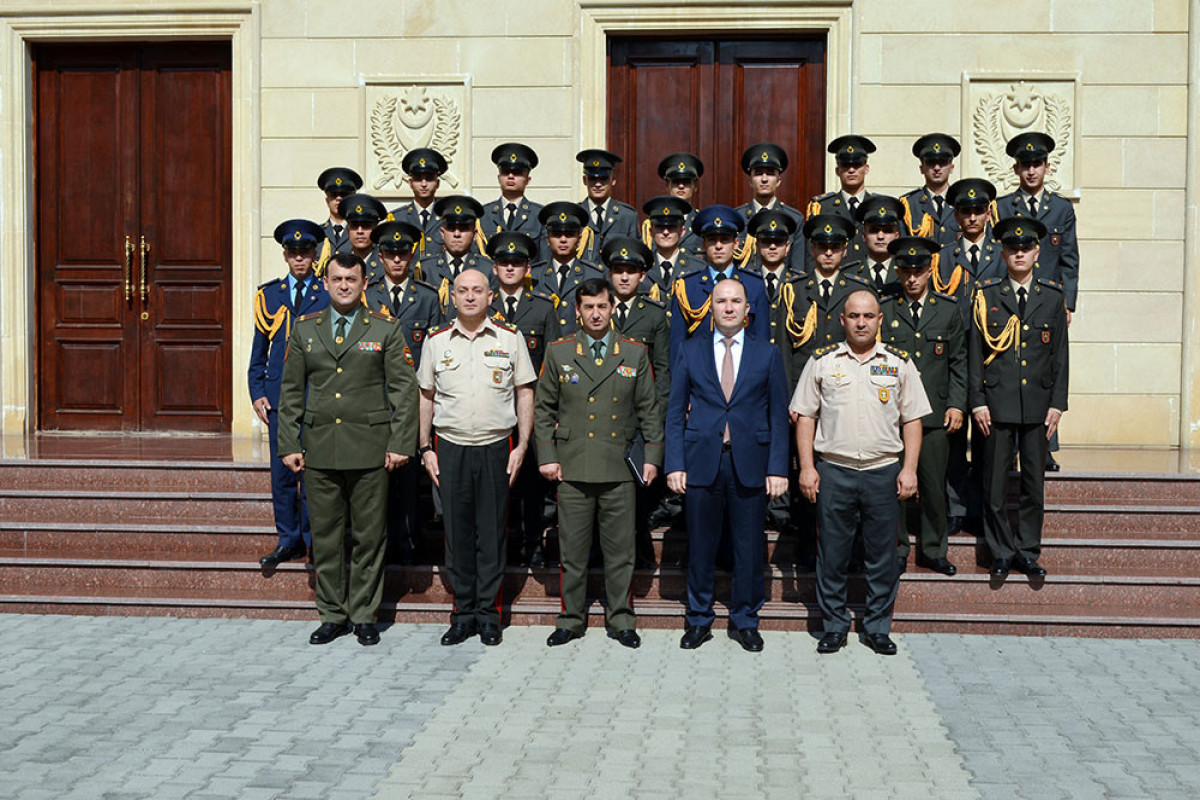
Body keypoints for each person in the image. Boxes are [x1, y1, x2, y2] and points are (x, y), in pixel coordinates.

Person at [276, 252, 419, 646]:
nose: (343, 286)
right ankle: (332, 614)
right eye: (336, 279)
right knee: (325, 536)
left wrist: (400, 443)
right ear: (325, 283)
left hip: (371, 449)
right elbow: (290, 392)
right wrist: (289, 442)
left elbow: (403, 392)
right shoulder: (305, 330)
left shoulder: (385, 330)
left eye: (351, 280)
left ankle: (364, 614)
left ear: (363, 283)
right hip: (320, 448)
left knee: (370, 537)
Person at [792, 289, 930, 656]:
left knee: (883, 556)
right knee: (832, 554)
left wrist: (910, 470)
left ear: (880, 320)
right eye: (854, 316)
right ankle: (834, 625)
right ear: (843, 320)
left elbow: (912, 419)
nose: (861, 322)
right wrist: (807, 467)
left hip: (882, 471)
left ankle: (877, 627)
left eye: (869, 316)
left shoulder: (899, 363)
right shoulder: (822, 361)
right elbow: (805, 416)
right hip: (834, 471)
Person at [535, 277, 663, 648]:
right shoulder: (559, 352)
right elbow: (543, 409)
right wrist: (547, 457)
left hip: (619, 467)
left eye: (602, 306)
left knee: (620, 552)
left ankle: (621, 619)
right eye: (588, 307)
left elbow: (649, 411)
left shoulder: (633, 352)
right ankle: (570, 618)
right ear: (577, 310)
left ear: (612, 308)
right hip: (572, 467)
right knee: (572, 551)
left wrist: (652, 457)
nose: (595, 313)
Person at [665, 278, 790, 652]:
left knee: (749, 548)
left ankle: (745, 620)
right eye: (722, 301)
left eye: (737, 301)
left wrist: (778, 468)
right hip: (702, 461)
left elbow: (778, 414)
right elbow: (674, 414)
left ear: (748, 309)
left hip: (749, 462)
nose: (730, 307)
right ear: (711, 308)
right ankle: (699, 619)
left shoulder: (766, 354)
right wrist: (675, 463)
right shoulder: (690, 350)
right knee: (701, 546)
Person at [418, 269, 536, 647]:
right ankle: (462, 614)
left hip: (495, 447)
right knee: (457, 535)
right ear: (451, 297)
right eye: (463, 291)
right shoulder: (436, 342)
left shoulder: (509, 337)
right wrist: (425, 448)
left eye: (478, 291)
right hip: (450, 447)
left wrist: (521, 446)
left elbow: (524, 393)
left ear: (491, 296)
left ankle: (489, 615)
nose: (470, 297)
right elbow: (425, 397)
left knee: (491, 534)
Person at [970, 217, 1069, 579]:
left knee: (1033, 485)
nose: (1019, 254)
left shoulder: (1052, 297)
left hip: (1038, 406)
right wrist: (977, 400)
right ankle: (999, 551)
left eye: (1026, 248)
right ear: (1003, 252)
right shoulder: (987, 296)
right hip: (996, 405)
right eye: (1013, 249)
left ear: (1037, 252)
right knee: (994, 485)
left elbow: (1060, 355)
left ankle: (1027, 550)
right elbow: (974, 353)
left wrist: (1058, 403)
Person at [880, 237, 966, 576]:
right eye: (905, 271)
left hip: (933, 415)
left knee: (933, 485)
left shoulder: (947, 310)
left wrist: (958, 404)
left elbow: (959, 362)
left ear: (930, 271)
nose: (911, 278)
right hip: (892, 415)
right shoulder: (885, 309)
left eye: (918, 271)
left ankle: (933, 549)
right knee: (894, 486)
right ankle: (897, 548)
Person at [250, 219, 331, 569]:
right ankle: (288, 539)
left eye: (306, 252)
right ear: (285, 255)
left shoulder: (327, 293)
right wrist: (256, 391)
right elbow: (259, 352)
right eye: (293, 253)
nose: (300, 259)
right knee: (281, 474)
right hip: (279, 397)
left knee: (312, 474)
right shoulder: (269, 295)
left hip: (317, 395)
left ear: (315, 254)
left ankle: (313, 541)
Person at [996, 131, 1078, 473]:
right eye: (1025, 165)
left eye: (1037, 164)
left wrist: (1068, 303)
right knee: (1013, 368)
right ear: (1016, 169)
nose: (1031, 171)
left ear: (1047, 166)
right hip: (1010, 298)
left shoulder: (1060, 208)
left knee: (1045, 370)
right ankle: (1012, 447)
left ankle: (1044, 447)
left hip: (1048, 302)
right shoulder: (1001, 207)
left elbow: (1070, 259)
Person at [364, 220, 444, 564]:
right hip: (372, 397)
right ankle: (378, 544)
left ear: (412, 256)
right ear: (379, 257)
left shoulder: (426, 298)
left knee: (409, 478)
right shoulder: (368, 295)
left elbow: (435, 348)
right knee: (374, 477)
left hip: (411, 399)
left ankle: (408, 542)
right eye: (390, 254)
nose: (397, 261)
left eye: (403, 254)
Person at [486, 231, 561, 569]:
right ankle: (499, 547)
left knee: (532, 484)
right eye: (504, 262)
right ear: (495, 267)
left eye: (517, 263)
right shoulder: (482, 305)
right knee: (496, 483)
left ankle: (533, 545)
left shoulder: (543, 307)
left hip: (533, 411)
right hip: (492, 411)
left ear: (528, 267)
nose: (511, 268)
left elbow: (553, 363)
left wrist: (552, 411)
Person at [604, 236, 672, 564]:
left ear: (643, 276)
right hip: (602, 417)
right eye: (618, 270)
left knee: (638, 489)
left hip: (639, 417)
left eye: (631, 271)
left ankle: (636, 545)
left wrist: (653, 419)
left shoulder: (654, 316)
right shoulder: (596, 310)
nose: (625, 277)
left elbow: (662, 371)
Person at [669, 205, 770, 352]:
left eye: (724, 240)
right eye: (712, 240)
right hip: (699, 370)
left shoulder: (754, 284)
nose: (718, 246)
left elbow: (762, 342)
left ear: (736, 244)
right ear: (703, 245)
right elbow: (677, 346)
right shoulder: (686, 287)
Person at [804, 134, 875, 271]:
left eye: (857, 164)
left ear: (866, 168)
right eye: (846, 165)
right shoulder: (822, 207)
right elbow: (810, 254)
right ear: (837, 171)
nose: (851, 170)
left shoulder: (876, 206)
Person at [535, 201, 604, 333]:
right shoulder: (534, 275)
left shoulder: (594, 275)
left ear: (579, 239)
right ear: (547, 240)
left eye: (569, 234)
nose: (563, 240)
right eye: (556, 234)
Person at [417, 195, 492, 316]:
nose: (457, 234)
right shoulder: (425, 268)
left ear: (475, 234)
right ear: (442, 233)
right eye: (451, 228)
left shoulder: (487, 269)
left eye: (463, 229)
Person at [734, 142, 805, 265]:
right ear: (750, 181)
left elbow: (797, 267)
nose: (764, 179)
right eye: (758, 173)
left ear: (778, 181)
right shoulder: (737, 218)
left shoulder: (794, 219)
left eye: (771, 173)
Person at [480, 143, 545, 266]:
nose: (510, 176)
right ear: (499, 177)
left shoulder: (540, 216)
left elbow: (544, 262)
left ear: (528, 179)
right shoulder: (483, 215)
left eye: (517, 172)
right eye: (505, 172)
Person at [576, 148, 638, 263]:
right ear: (585, 180)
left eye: (603, 178)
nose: (598, 184)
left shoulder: (627, 216)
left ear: (613, 180)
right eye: (592, 179)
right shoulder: (575, 215)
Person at [900, 134, 961, 246]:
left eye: (942, 162)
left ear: (951, 168)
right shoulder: (909, 205)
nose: (937, 168)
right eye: (931, 162)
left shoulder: (961, 202)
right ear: (922, 168)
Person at [390, 147, 450, 259]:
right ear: (410, 183)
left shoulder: (447, 217)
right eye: (418, 179)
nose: (424, 184)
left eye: (429, 179)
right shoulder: (397, 218)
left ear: (437, 183)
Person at [640, 195, 699, 300]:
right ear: (650, 231)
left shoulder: (697, 269)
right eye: (659, 227)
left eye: (671, 227)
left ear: (682, 231)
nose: (666, 232)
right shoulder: (640, 269)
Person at [845, 195, 906, 296]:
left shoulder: (907, 272)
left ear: (897, 236)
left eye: (887, 231)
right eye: (874, 231)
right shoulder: (849, 274)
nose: (880, 236)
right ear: (864, 236)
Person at [656, 152, 704, 255]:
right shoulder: (655, 222)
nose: (681, 186)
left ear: (694, 187)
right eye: (676, 182)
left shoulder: (702, 223)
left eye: (686, 182)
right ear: (667, 186)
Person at [316, 167, 361, 273]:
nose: (339, 199)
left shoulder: (361, 233)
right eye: (333, 195)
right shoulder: (316, 234)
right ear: (327, 200)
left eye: (344, 195)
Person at [337, 193, 387, 284]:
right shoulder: (338, 262)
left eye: (366, 226)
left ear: (375, 230)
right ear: (348, 231)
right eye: (354, 226)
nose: (360, 231)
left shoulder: (386, 264)